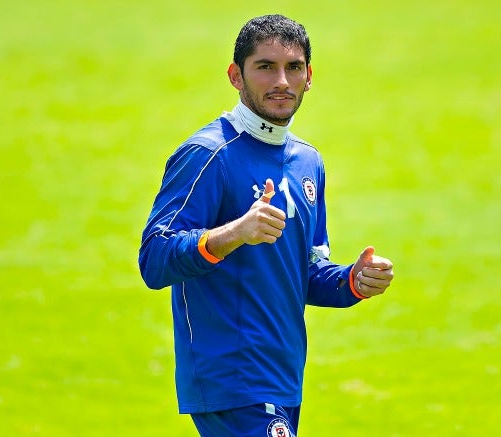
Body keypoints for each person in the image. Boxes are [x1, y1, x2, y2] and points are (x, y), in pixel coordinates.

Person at [138, 14, 394, 437]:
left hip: (284, 377)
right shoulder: (209, 155)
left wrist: (353, 281)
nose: (282, 81)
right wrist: (235, 233)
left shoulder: (308, 161)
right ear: (235, 76)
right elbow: (154, 259)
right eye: (265, 67)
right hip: (233, 379)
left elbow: (306, 274)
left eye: (293, 68)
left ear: (309, 76)